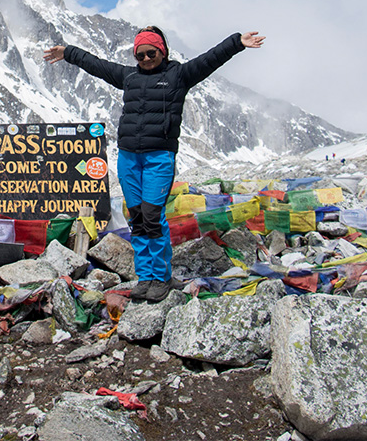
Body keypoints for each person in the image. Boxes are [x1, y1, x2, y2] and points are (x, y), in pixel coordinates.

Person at [43, 26, 265, 302]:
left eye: (152, 53)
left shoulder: (179, 75)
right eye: (140, 55)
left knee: (152, 216)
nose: (146, 59)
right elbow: (97, 65)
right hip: (128, 158)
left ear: (162, 51)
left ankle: (161, 276)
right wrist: (68, 53)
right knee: (136, 218)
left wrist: (237, 42)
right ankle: (145, 276)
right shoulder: (129, 76)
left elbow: (211, 58)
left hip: (159, 157)